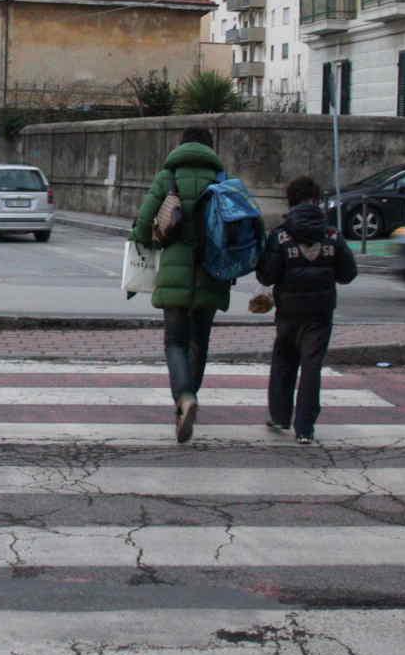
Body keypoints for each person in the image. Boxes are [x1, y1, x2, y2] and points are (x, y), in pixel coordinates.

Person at [129, 125, 234, 443]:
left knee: (174, 342)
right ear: (210, 148)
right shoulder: (223, 181)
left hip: (174, 276)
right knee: (198, 343)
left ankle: (184, 398)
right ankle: (190, 398)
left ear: (181, 145)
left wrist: (148, 233)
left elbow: (144, 227)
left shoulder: (167, 178)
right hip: (212, 274)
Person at [256, 175, 358, 445]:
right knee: (311, 366)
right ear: (316, 201)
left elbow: (266, 276)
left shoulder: (280, 235)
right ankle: (305, 428)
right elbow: (348, 274)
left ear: (291, 201)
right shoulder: (332, 234)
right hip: (320, 313)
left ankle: (279, 416)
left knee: (284, 361)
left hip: (288, 310)